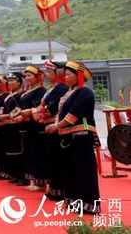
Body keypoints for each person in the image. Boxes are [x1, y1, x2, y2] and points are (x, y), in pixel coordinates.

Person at [46, 61, 101, 215]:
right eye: (65, 74)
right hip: (69, 136)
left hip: (81, 135)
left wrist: (56, 126)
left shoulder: (85, 93)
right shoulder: (68, 92)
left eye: (69, 74)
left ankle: (88, 203)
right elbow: (61, 113)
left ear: (79, 76)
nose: (66, 77)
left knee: (83, 169)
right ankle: (74, 200)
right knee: (71, 169)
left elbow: (73, 115)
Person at [13, 66, 47, 190]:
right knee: (30, 154)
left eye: (29, 75)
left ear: (37, 77)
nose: (26, 78)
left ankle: (41, 182)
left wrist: (23, 117)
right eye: (25, 76)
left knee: (38, 154)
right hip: (27, 128)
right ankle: (34, 180)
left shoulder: (41, 91)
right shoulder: (28, 91)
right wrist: (17, 113)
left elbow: (38, 109)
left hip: (36, 127)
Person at [39, 61, 69, 200]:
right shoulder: (51, 89)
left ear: (57, 74)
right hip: (48, 127)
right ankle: (54, 188)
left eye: (49, 72)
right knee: (50, 158)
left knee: (57, 159)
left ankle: (60, 189)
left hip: (56, 127)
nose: (46, 75)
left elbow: (52, 108)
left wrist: (39, 113)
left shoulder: (62, 88)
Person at [0, 72, 25, 185]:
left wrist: (4, 115)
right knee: (9, 150)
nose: (10, 83)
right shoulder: (8, 96)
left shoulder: (21, 95)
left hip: (15, 125)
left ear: (19, 83)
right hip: (6, 125)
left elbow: (17, 110)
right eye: (9, 81)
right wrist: (1, 114)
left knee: (18, 150)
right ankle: (13, 173)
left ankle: (21, 176)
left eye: (13, 81)